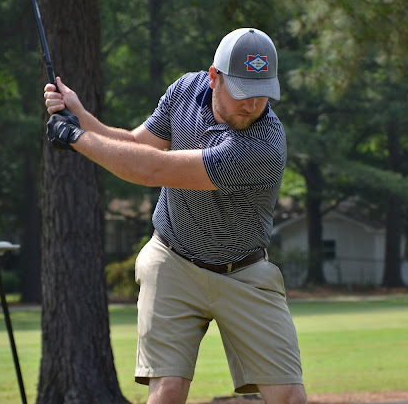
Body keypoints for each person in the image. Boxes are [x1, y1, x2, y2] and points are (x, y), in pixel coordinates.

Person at [43, 28, 307, 404]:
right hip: (172, 262)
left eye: (263, 93)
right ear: (214, 77)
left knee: (289, 398)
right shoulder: (184, 91)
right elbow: (136, 147)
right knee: (166, 393)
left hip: (244, 272)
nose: (253, 105)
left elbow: (153, 171)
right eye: (244, 92)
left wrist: (75, 137)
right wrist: (81, 115)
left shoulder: (263, 146)